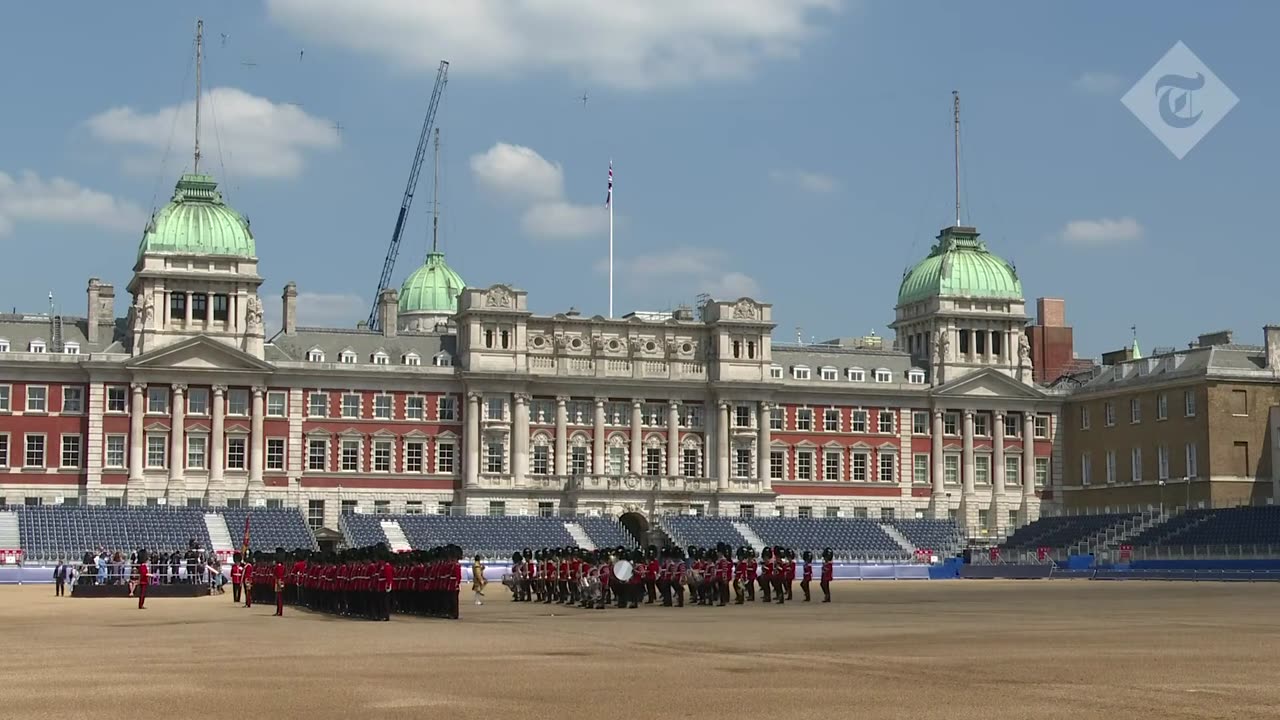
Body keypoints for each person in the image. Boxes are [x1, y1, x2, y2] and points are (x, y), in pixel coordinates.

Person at [273, 549, 286, 617]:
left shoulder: (278, 566)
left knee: (279, 598)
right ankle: (279, 611)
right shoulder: (281, 566)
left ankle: (279, 611)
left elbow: (278, 575)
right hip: (280, 581)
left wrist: (279, 583)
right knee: (279, 598)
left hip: (278, 582)